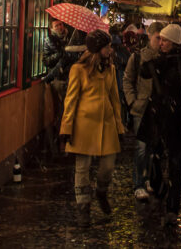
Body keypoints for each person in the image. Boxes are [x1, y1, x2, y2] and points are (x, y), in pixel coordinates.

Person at [138, 24, 181, 226]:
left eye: (164, 40)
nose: (161, 43)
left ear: (174, 42)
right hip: (159, 119)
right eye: (160, 39)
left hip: (177, 121)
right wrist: (154, 54)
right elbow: (143, 72)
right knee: (155, 160)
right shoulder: (159, 61)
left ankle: (173, 207)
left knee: (176, 165)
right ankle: (159, 189)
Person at [60, 29, 124, 227]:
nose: (110, 50)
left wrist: (119, 126)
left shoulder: (111, 69)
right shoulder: (78, 70)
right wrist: (66, 127)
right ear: (98, 49)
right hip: (84, 125)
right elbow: (71, 100)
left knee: (108, 167)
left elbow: (115, 99)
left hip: (107, 125)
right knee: (82, 168)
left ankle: (101, 192)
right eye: (107, 47)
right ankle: (83, 208)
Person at [122, 21, 163, 201]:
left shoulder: (165, 57)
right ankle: (138, 183)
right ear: (150, 37)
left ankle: (148, 178)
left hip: (158, 109)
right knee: (141, 148)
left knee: (153, 147)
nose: (161, 42)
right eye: (158, 38)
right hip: (141, 109)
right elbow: (127, 80)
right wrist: (132, 102)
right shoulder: (138, 58)